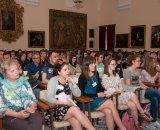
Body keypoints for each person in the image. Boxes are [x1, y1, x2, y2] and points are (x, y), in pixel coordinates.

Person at [101, 57, 152, 130]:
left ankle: (136, 124)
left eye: (115, 64)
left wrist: (120, 90)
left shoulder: (116, 75)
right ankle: (141, 111)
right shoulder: (105, 76)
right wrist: (116, 90)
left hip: (120, 96)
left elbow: (121, 86)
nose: (115, 66)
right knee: (132, 94)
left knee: (133, 105)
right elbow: (107, 89)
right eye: (113, 64)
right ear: (108, 65)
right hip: (112, 98)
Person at [78, 55, 126, 130]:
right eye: (92, 64)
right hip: (86, 102)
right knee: (110, 103)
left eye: (94, 63)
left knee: (108, 111)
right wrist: (96, 94)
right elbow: (81, 94)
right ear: (86, 65)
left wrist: (105, 91)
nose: (94, 65)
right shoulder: (82, 77)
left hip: (95, 99)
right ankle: (122, 127)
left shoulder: (96, 73)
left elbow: (99, 86)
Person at [45, 61, 95, 130]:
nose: (68, 71)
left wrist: (73, 83)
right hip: (55, 110)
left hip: (68, 109)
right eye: (65, 70)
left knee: (76, 122)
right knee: (74, 109)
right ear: (59, 72)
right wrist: (64, 103)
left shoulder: (69, 80)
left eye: (68, 69)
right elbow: (49, 98)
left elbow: (78, 94)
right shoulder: (53, 80)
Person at [0, 59, 42, 130]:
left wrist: (32, 106)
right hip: (11, 115)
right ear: (5, 74)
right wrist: (17, 114)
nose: (16, 72)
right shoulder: (1, 87)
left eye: (16, 69)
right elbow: (1, 108)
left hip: (28, 110)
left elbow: (32, 98)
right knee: (27, 127)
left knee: (38, 118)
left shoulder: (24, 82)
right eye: (12, 71)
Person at [123, 54, 160, 128]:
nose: (140, 62)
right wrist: (140, 88)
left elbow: (140, 83)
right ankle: (149, 115)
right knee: (154, 92)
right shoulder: (127, 71)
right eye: (138, 61)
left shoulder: (138, 71)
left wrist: (146, 88)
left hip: (141, 91)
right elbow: (128, 86)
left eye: (140, 61)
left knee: (154, 98)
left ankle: (153, 120)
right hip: (134, 93)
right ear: (133, 61)